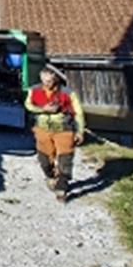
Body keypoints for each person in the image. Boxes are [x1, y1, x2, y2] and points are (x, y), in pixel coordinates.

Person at [24, 65, 85, 202]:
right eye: (44, 81)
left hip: (64, 129)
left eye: (49, 81)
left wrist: (80, 131)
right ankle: (51, 176)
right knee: (44, 159)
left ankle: (62, 189)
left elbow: (78, 113)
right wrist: (42, 109)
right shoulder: (34, 90)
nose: (47, 84)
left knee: (65, 159)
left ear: (56, 79)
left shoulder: (68, 93)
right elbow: (28, 105)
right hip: (43, 129)